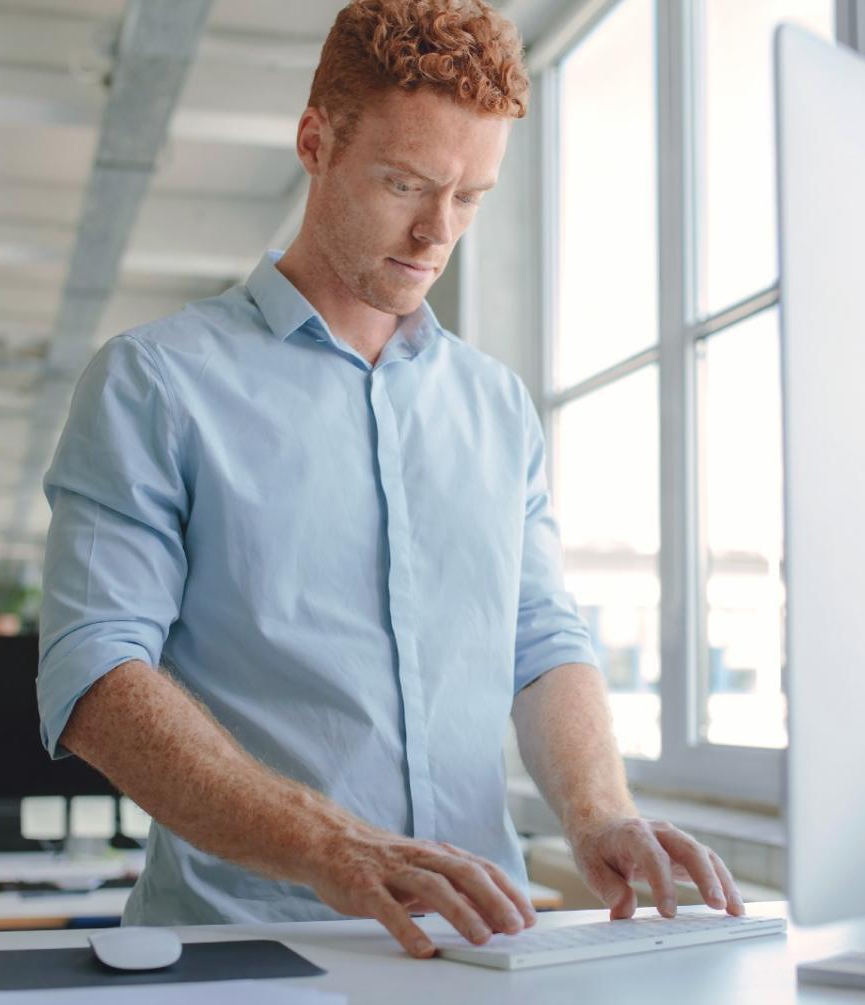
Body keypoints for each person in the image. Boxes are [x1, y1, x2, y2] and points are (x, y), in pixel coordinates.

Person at [37, 0, 743, 959]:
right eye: (404, 183)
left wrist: (599, 812)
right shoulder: (156, 382)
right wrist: (332, 844)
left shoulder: (496, 407)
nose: (433, 233)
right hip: (241, 951)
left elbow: (540, 637)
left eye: (470, 197)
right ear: (314, 142)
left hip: (478, 948)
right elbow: (96, 676)